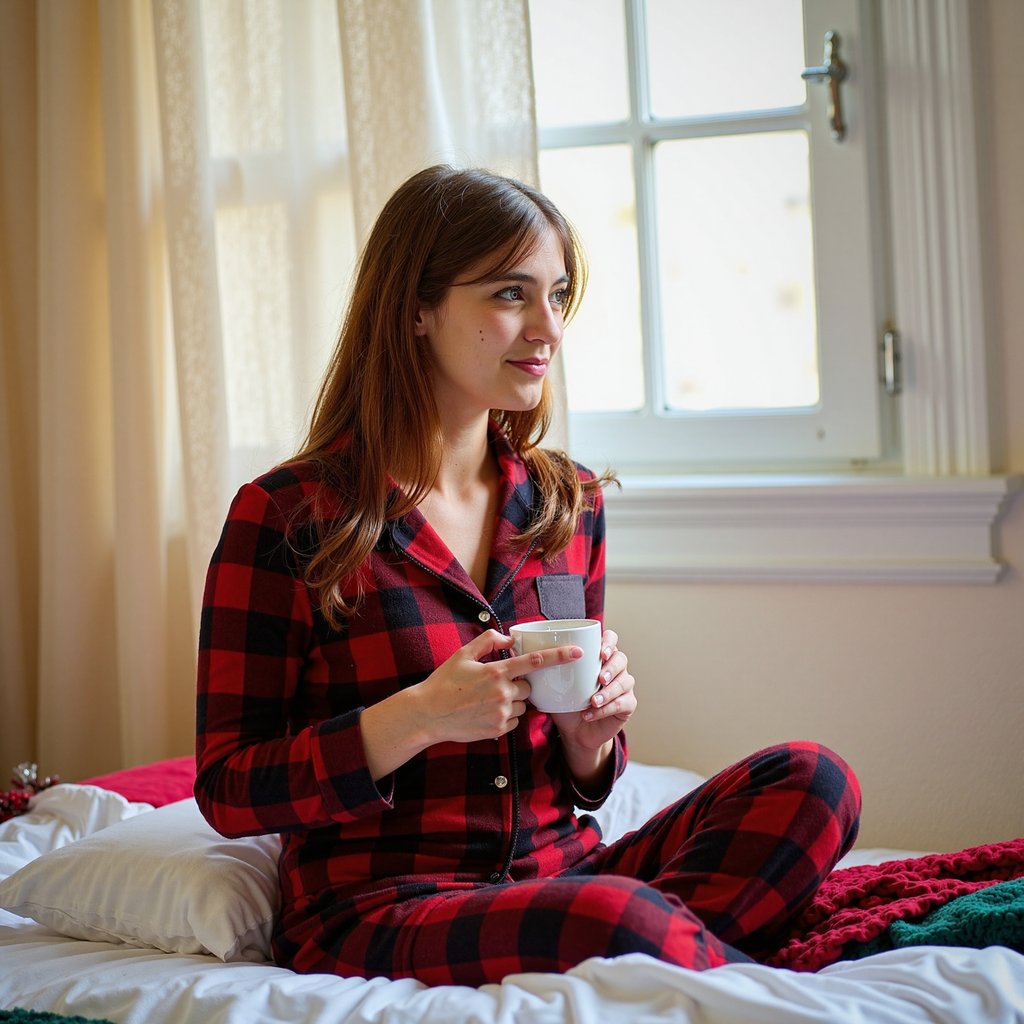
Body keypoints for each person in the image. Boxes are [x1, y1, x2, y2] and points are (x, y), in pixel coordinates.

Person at [195, 164, 861, 986]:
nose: (547, 327)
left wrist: (591, 743)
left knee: (814, 780)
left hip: (567, 873)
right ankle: (681, 960)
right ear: (416, 307)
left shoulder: (566, 502)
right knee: (613, 916)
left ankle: (657, 953)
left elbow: (585, 775)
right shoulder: (287, 515)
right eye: (511, 294)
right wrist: (417, 717)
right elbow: (227, 788)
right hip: (382, 905)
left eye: (558, 294)